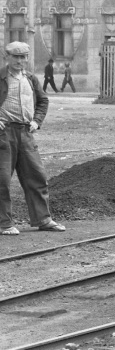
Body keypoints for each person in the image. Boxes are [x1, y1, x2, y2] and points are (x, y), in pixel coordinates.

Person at [0, 42, 64, 235]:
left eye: (23, 57)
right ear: (7, 57)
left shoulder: (30, 78)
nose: (20, 61)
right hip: (4, 134)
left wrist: (36, 121)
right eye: (16, 57)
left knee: (36, 176)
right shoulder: (1, 77)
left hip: (26, 133)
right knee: (2, 180)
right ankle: (4, 224)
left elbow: (43, 100)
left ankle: (43, 219)